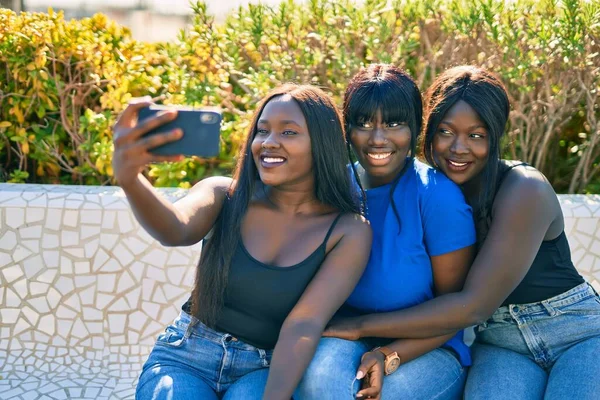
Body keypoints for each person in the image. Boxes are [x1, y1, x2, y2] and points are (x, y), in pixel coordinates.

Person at [325, 66, 600, 399]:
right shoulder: (431, 191)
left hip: (575, 330)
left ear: (494, 137)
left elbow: (473, 307)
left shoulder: (523, 189)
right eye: (445, 131)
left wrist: (359, 327)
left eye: (476, 135)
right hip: (500, 342)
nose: (458, 148)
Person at [111, 84, 372, 400]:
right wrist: (130, 179)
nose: (268, 143)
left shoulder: (348, 231)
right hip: (186, 356)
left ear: (321, 143)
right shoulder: (224, 195)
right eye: (262, 131)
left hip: (264, 368)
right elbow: (175, 229)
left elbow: (303, 325)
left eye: (288, 133)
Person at [295, 64, 476, 400]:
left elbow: (455, 312)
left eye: (394, 123)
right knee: (321, 382)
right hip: (342, 336)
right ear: (347, 130)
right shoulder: (333, 188)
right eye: (363, 124)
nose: (378, 139)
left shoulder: (437, 196)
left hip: (427, 346)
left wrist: (388, 353)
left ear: (415, 128)